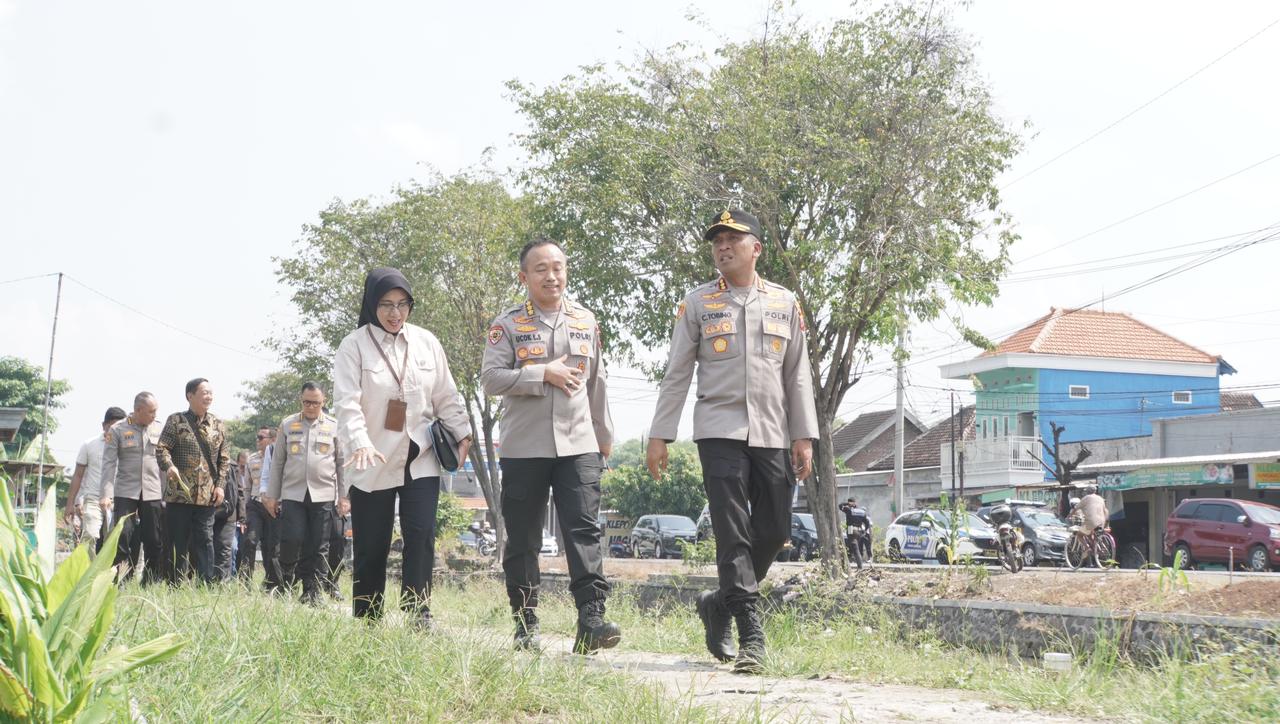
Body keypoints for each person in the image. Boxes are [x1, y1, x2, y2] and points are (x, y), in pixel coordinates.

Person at [645, 209, 819, 674]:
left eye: (733, 239)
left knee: (777, 530)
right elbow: (677, 371)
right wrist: (660, 434)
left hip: (773, 431)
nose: (722, 247)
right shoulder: (698, 303)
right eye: (717, 240)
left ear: (755, 248)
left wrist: (803, 435)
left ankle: (717, 603)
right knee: (732, 530)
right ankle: (751, 636)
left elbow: (797, 373)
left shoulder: (785, 302)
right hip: (717, 430)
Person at [480, 237, 620, 654]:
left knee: (584, 531)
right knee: (522, 537)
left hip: (579, 445)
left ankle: (591, 620)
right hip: (525, 448)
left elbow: (597, 384)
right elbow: (490, 380)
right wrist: (542, 373)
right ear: (524, 277)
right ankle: (525, 622)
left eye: (558, 266)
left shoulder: (585, 320)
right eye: (541, 269)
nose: (551, 275)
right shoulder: (506, 325)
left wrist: (604, 439)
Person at [333, 267, 472, 626]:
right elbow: (347, 403)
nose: (395, 314)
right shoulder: (354, 346)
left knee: (421, 534)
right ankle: (367, 617)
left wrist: (464, 434)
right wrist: (359, 441)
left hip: (420, 454)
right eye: (385, 305)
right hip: (373, 457)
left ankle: (418, 614)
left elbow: (446, 395)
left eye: (402, 304)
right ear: (371, 305)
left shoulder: (427, 342)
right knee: (372, 543)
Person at [264, 382, 346, 604]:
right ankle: (286, 581)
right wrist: (272, 495)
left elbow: (341, 464)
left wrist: (344, 496)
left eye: (315, 403)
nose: (311, 407)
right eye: (306, 402)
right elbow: (278, 462)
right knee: (292, 538)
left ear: (323, 402)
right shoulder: (289, 424)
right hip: (294, 493)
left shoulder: (334, 425)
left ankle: (313, 590)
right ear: (301, 400)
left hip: (323, 493)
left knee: (319, 545)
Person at [155, 378, 230, 584]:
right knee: (178, 541)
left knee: (205, 540)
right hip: (179, 494)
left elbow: (224, 460)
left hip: (207, 496)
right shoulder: (175, 421)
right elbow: (162, 448)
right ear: (190, 396)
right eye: (204, 392)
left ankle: (206, 583)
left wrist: (221, 487)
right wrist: (168, 466)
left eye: (211, 393)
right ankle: (175, 583)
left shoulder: (219, 424)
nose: (209, 396)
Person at [102, 393, 166, 584]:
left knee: (153, 539)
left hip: (152, 491)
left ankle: (151, 581)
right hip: (126, 491)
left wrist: (166, 494)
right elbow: (109, 464)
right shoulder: (117, 429)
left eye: (156, 411)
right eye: (150, 412)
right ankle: (119, 581)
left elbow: (165, 462)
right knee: (122, 537)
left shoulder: (160, 429)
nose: (154, 415)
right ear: (138, 410)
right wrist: (106, 495)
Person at [65, 407, 127, 550]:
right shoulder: (89, 445)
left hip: (118, 500)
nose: (115, 430)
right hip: (93, 499)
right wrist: (70, 504)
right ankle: (90, 571)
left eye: (120, 426)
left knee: (114, 542)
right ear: (104, 425)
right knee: (90, 536)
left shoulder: (127, 447)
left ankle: (109, 572)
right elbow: (78, 475)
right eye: (112, 426)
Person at [238, 427, 283, 590]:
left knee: (272, 546)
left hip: (273, 506)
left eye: (261, 437)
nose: (257, 440)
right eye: (256, 437)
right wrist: (245, 511)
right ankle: (244, 583)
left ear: (272, 439)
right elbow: (247, 488)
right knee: (249, 541)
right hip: (256, 505)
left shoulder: (280, 457)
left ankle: (272, 584)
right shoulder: (252, 459)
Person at [211, 449, 243, 581]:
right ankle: (207, 578)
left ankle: (223, 581)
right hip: (206, 510)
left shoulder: (233, 466)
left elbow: (238, 491)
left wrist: (242, 517)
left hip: (228, 513)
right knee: (207, 546)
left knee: (225, 548)